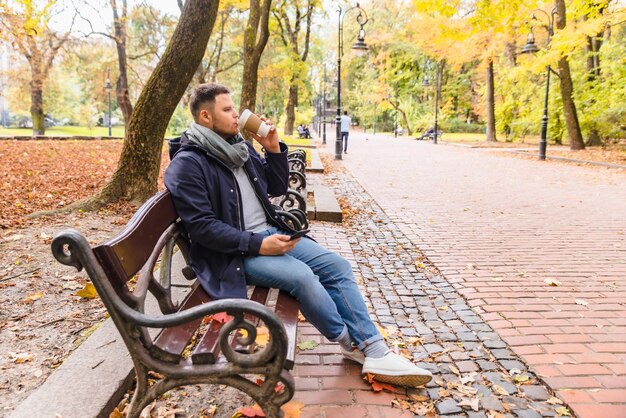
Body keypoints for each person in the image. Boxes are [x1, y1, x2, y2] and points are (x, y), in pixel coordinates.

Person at [164, 83, 433, 388]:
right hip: (233, 254)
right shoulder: (187, 164)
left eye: (234, 108)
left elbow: (276, 187)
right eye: (227, 110)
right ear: (205, 116)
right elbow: (202, 228)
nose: (236, 114)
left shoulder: (238, 146)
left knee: (337, 267)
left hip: (271, 233)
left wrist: (273, 147)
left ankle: (374, 349)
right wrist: (258, 245)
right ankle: (354, 345)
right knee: (302, 277)